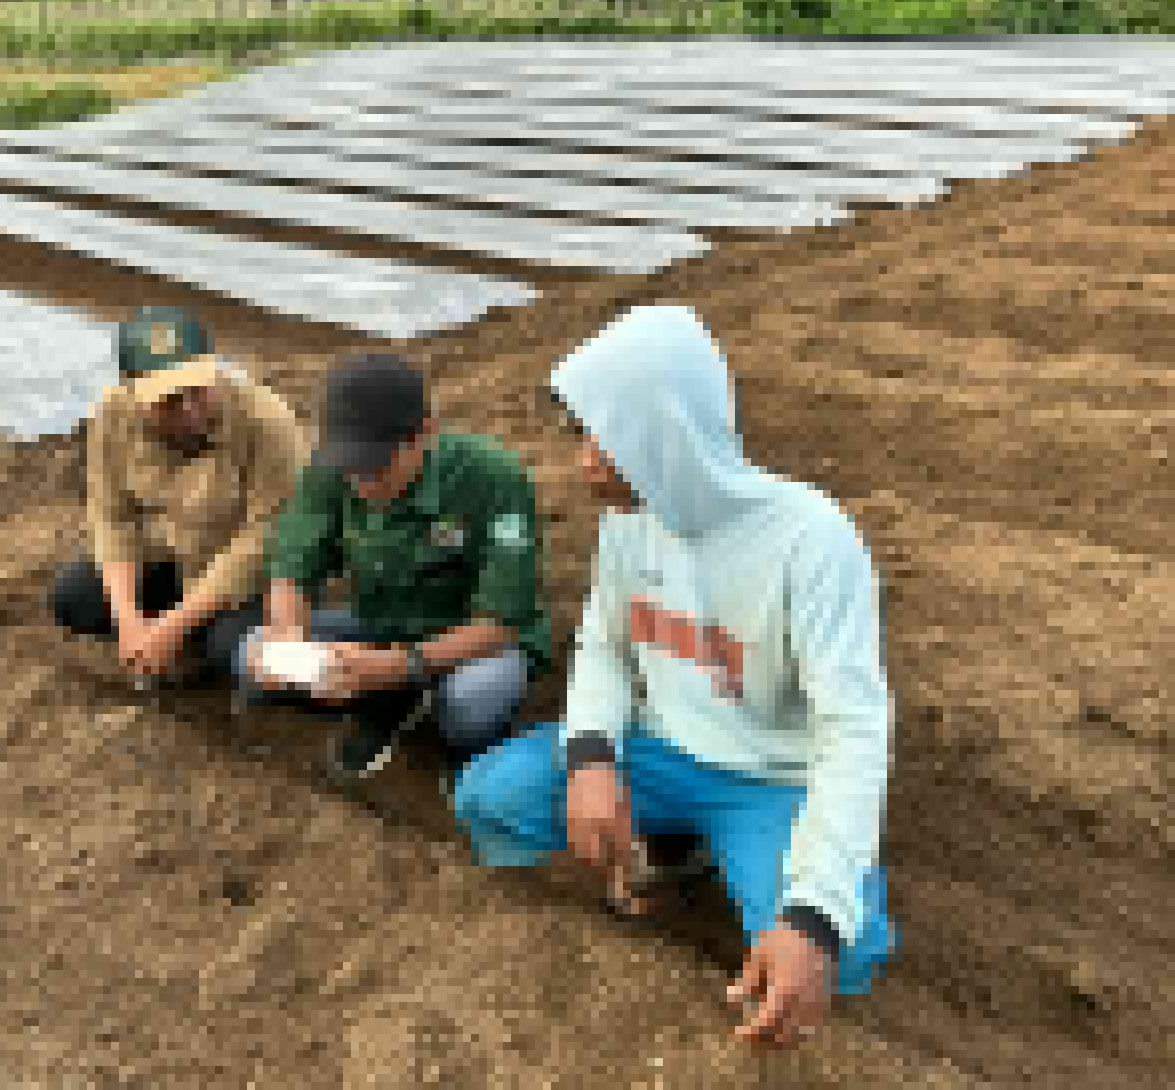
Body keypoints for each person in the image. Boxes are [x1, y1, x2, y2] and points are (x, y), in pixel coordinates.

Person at [452, 303, 898, 1049]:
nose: (585, 460)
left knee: (834, 960)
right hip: (661, 750)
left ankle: (790, 870)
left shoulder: (813, 542)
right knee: (489, 798)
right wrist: (591, 757)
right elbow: (602, 643)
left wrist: (815, 913)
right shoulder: (630, 517)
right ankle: (673, 849)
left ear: (664, 435)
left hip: (771, 778)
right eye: (584, 435)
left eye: (605, 437)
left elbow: (854, 728)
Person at [233, 351, 553, 783]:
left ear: (425, 435)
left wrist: (399, 665)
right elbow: (292, 566)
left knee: (471, 708)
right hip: (380, 624)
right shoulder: (331, 469)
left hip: (472, 638)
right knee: (251, 653)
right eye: (350, 467)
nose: (361, 483)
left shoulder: (495, 479)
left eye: (377, 466)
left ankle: (400, 694)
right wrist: (289, 641)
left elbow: (501, 621)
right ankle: (389, 695)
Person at [50, 306, 311, 686]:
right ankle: (171, 638)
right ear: (133, 393)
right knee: (76, 597)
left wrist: (175, 625)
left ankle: (195, 644)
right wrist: (128, 620)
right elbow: (113, 516)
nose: (189, 410)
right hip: (175, 554)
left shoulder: (267, 423)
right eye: (169, 399)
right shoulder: (112, 415)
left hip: (252, 576)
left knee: (228, 647)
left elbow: (264, 539)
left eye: (198, 390)